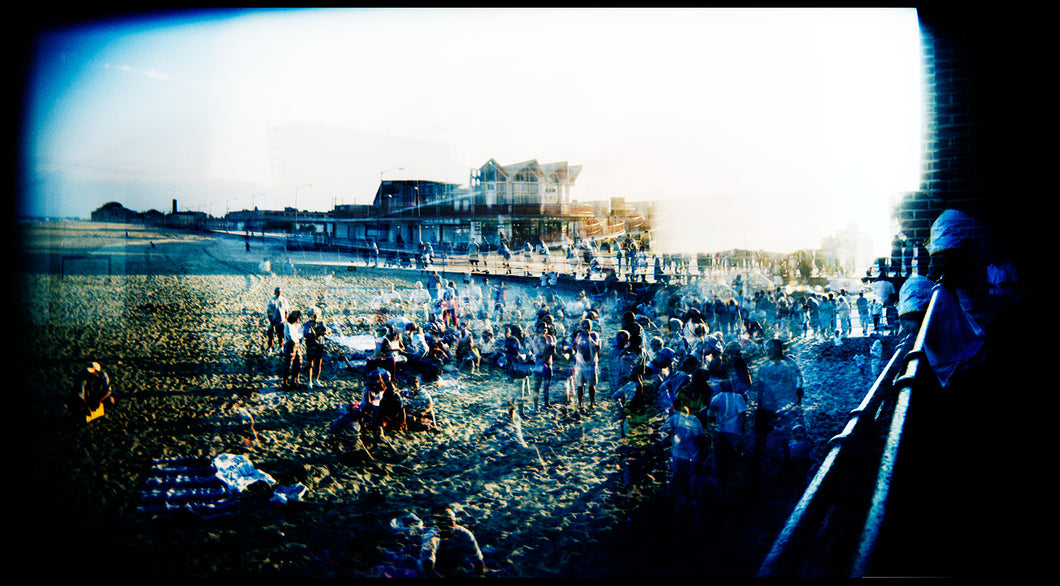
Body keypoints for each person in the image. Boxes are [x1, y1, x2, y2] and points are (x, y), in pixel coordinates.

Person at [752, 338, 804, 487]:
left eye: (772, 349)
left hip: (784, 403)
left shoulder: (789, 363)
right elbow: (760, 384)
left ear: (779, 349)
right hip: (767, 404)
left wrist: (798, 398)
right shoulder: (764, 365)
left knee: (784, 432)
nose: (769, 352)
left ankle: (787, 459)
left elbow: (799, 380)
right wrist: (759, 403)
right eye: (768, 350)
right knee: (760, 433)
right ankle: (756, 461)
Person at [660, 405, 709, 533]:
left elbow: (663, 431)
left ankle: (677, 510)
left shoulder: (674, 418)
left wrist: (670, 437)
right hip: (691, 456)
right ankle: (688, 504)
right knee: (689, 481)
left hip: (678, 455)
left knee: (678, 480)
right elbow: (701, 439)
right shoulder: (694, 421)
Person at [707, 379, 748, 502]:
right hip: (734, 433)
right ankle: (731, 488)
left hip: (720, 432)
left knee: (719, 460)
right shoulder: (738, 397)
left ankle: (719, 490)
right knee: (733, 460)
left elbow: (710, 417)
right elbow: (742, 417)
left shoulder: (716, 398)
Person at [419, 505, 485, 578]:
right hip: (437, 569)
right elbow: (428, 568)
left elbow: (478, 561)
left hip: (457, 567)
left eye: (452, 517)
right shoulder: (431, 538)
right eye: (445, 518)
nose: (450, 521)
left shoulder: (464, 534)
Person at [571, 318, 601, 411]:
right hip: (580, 364)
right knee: (580, 385)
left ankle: (592, 403)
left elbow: (597, 347)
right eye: (583, 326)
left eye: (587, 326)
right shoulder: (579, 335)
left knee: (591, 385)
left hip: (591, 363)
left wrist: (589, 337)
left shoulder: (594, 335)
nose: (585, 328)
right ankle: (580, 404)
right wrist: (577, 347)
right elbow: (574, 346)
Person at [530, 320, 557, 412]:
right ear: (538, 329)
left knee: (547, 384)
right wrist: (547, 350)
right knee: (537, 384)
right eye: (542, 328)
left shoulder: (550, 338)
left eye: (545, 328)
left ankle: (546, 402)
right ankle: (536, 405)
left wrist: (548, 351)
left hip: (548, 363)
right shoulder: (536, 339)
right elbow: (538, 353)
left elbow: (553, 350)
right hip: (539, 364)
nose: (544, 330)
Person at [303, 307, 329, 389]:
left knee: (318, 363)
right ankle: (309, 381)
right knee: (310, 364)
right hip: (311, 346)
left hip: (319, 345)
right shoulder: (307, 324)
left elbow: (326, 331)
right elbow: (307, 334)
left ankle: (316, 380)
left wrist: (317, 333)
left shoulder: (321, 323)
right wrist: (320, 333)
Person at [281, 310, 304, 389]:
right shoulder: (288, 325)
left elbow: (301, 335)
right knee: (288, 364)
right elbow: (291, 336)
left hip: (296, 344)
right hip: (290, 344)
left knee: (298, 362)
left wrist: (297, 336)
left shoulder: (297, 325)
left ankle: (293, 381)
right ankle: (285, 382)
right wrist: (297, 336)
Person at [266, 287, 289, 353]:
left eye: (280, 291)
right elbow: (268, 311)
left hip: (281, 321)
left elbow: (286, 311)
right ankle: (270, 349)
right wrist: (271, 320)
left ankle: (281, 348)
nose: (279, 292)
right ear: (275, 292)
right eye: (277, 291)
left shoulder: (284, 300)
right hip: (273, 321)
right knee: (271, 335)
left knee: (281, 335)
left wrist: (285, 319)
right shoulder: (271, 300)